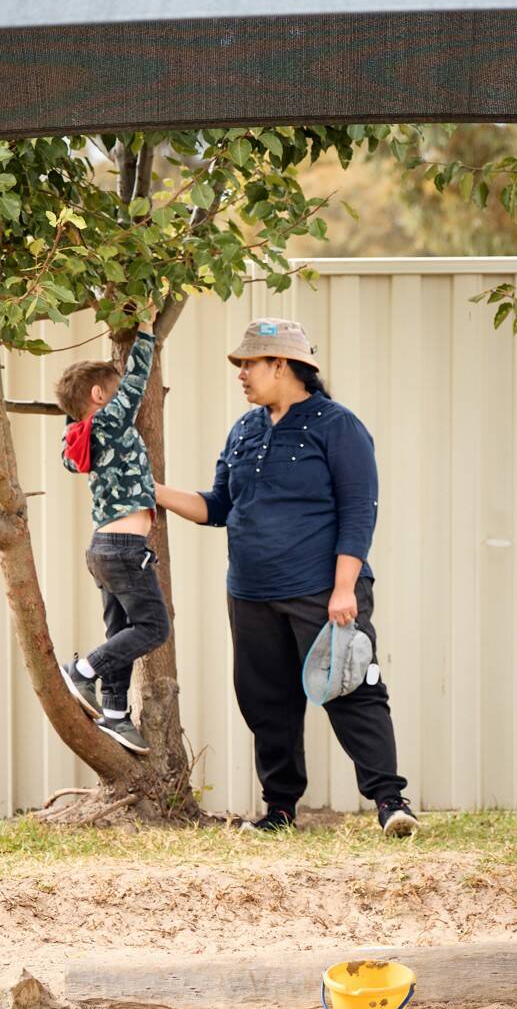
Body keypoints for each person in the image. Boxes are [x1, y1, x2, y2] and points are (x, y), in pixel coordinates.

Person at [155, 318, 417, 837]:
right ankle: (279, 810)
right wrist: (152, 490)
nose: (241, 375)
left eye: (249, 364)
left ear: (282, 365)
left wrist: (345, 588)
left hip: (323, 591)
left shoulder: (336, 426)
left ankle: (390, 801)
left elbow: (358, 511)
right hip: (251, 593)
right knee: (265, 700)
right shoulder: (245, 429)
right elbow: (218, 506)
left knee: (352, 690)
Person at [54, 310, 170, 754]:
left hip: (105, 548)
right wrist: (145, 331)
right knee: (153, 628)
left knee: (121, 627)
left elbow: (71, 447)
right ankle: (81, 673)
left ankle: (116, 714)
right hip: (123, 548)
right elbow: (138, 380)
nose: (127, 400)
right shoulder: (107, 422)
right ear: (101, 396)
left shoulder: (79, 435)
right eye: (115, 393)